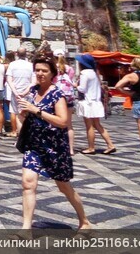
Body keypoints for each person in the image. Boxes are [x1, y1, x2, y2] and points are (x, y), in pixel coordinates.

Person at [18, 57, 91, 230]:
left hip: (54, 148)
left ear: (52, 74)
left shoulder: (57, 94)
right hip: (34, 145)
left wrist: (37, 110)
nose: (40, 74)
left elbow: (63, 121)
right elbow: (26, 114)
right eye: (37, 70)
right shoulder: (34, 91)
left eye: (44, 70)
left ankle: (85, 221)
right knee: (28, 183)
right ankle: (25, 229)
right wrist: (26, 112)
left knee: (64, 187)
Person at [76, 54, 116, 155]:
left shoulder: (84, 73)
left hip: (88, 102)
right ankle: (110, 144)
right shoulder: (94, 73)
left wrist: (75, 85)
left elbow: (82, 88)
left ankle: (91, 147)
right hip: (96, 102)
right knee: (97, 125)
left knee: (89, 126)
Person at [6, 47, 34, 137]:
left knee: (18, 115)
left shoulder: (12, 65)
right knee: (27, 115)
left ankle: (21, 137)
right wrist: (25, 92)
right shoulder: (31, 65)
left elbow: (9, 80)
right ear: (26, 54)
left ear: (16, 54)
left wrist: (16, 93)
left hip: (16, 94)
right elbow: (33, 82)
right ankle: (28, 136)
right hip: (27, 94)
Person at [54, 54, 77, 154]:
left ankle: (58, 147)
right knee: (69, 124)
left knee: (56, 123)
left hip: (58, 98)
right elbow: (71, 80)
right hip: (69, 98)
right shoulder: (70, 69)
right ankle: (71, 149)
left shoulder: (54, 68)